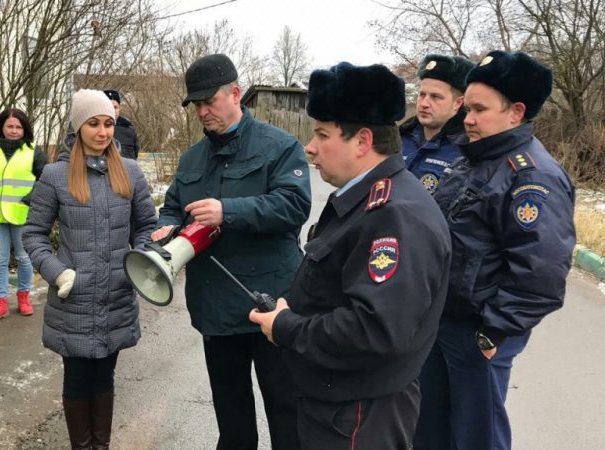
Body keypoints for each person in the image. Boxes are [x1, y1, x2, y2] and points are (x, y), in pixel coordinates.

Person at [249, 62, 452, 449]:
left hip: (358, 417)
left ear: (362, 141)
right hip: (337, 404)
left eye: (322, 134)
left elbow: (373, 330)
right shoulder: (365, 198)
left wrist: (287, 327)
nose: (309, 147)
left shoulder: (395, 215)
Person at [413, 51, 576, 450]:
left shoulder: (532, 177)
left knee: (475, 437)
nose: (467, 119)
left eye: (479, 110)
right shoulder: (474, 160)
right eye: (467, 108)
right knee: (429, 431)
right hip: (442, 322)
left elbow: (542, 274)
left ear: (516, 112)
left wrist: (494, 333)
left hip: (479, 332)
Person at [151, 53, 311, 450]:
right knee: (232, 417)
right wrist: (165, 226)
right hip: (216, 310)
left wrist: (229, 211)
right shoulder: (191, 159)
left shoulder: (280, 147)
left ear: (235, 94)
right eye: (197, 105)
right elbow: (172, 205)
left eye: (210, 102)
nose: (203, 111)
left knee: (286, 412)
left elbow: (294, 206)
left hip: (270, 306)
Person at [23, 89, 156, 450]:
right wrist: (56, 271)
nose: (103, 132)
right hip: (74, 300)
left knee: (105, 379)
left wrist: (139, 259)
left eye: (108, 124)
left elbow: (146, 225)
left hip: (116, 295)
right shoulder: (55, 175)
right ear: (78, 126)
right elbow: (33, 233)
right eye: (94, 124)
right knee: (78, 380)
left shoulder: (129, 172)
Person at [0, 108, 48, 323]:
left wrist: (29, 199)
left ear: (24, 129)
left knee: (24, 258)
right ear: (2, 127)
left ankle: (23, 297)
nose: (14, 131)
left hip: (22, 214)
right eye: (10, 126)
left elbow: (45, 180)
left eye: (18, 127)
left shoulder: (34, 151)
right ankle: (0, 303)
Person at [399, 54, 475, 193]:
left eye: (435, 97)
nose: (424, 104)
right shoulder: (399, 138)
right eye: (422, 95)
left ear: (458, 103)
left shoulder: (467, 149)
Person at [103, 89, 140, 159]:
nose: (112, 110)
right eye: (109, 106)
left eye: (115, 107)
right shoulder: (94, 129)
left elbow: (135, 153)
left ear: (119, 109)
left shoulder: (128, 128)